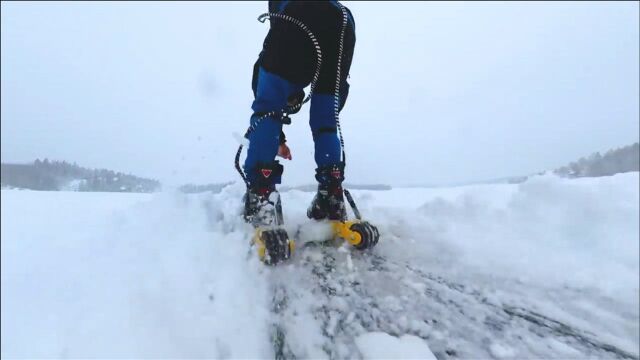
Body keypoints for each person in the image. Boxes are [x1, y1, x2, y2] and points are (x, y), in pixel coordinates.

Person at [243, 0, 356, 225]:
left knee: (268, 108)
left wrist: (276, 134)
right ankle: (331, 194)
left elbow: (267, 89)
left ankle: (261, 195)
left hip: (297, 14)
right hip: (342, 21)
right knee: (326, 119)